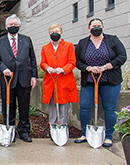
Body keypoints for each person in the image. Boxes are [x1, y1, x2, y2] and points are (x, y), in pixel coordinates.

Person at [75, 18, 127, 147]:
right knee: (85, 107)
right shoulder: (83, 43)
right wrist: (88, 68)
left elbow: (122, 56)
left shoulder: (112, 40)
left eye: (98, 25)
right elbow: (77, 61)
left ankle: (108, 136)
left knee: (110, 109)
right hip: (90, 80)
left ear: (103, 27)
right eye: (94, 26)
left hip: (109, 81)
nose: (96, 28)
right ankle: (85, 133)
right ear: (89, 28)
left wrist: (106, 66)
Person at [0, 14, 37, 142]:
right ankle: (10, 130)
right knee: (8, 106)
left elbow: (32, 59)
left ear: (19, 26)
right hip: (8, 79)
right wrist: (4, 69)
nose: (13, 26)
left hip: (24, 78)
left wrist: (34, 76)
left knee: (24, 106)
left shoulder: (26, 40)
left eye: (15, 25)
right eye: (10, 25)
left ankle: (24, 130)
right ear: (6, 26)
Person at [40, 23, 78, 128]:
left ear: (61, 32)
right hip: (51, 81)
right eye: (52, 32)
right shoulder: (45, 48)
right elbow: (42, 63)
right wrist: (48, 68)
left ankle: (63, 127)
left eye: (56, 32)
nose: (54, 34)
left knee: (64, 107)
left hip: (64, 80)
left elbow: (72, 62)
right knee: (52, 106)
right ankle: (53, 128)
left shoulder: (69, 46)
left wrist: (62, 69)